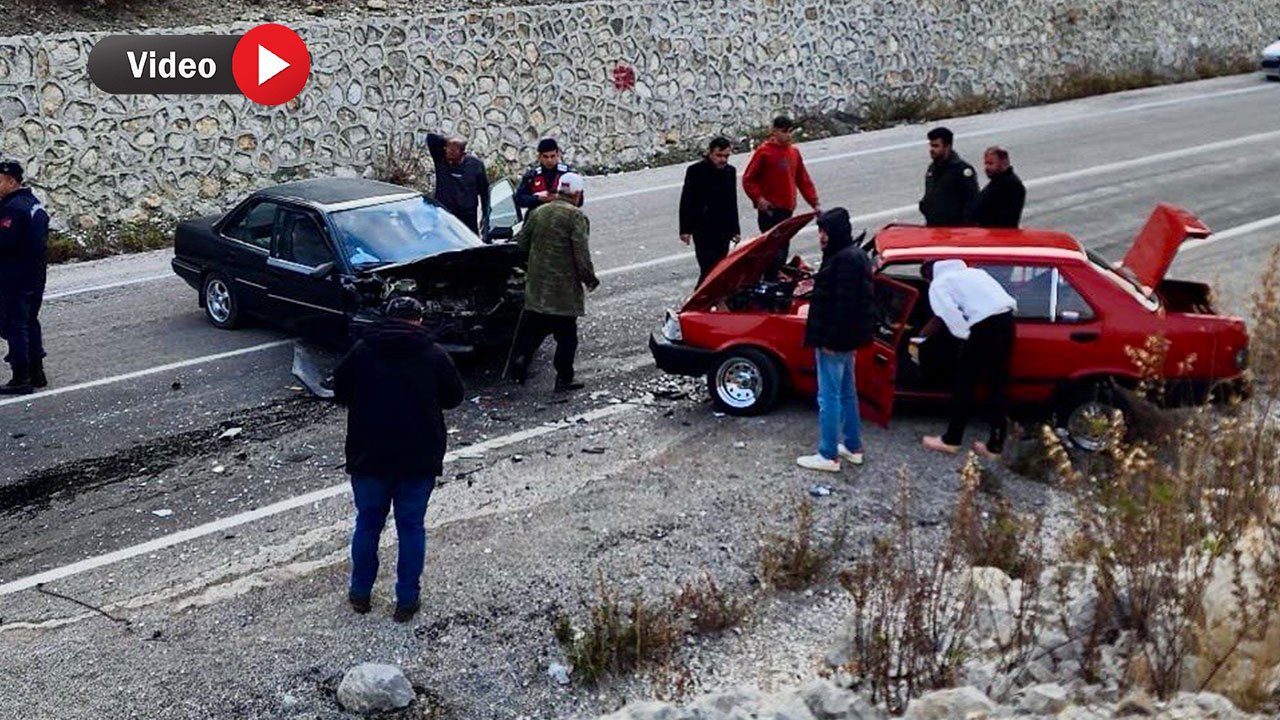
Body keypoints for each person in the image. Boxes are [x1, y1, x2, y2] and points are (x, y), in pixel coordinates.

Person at [331, 295, 465, 622]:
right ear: (418, 319)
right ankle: (406, 600)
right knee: (411, 528)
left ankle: (360, 594)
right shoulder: (433, 354)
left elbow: (339, 391)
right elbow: (454, 397)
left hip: (369, 456)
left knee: (367, 524)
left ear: (386, 318)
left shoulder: (362, 351)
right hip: (418, 458)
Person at [796, 208, 877, 473]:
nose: (820, 237)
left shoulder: (843, 260)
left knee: (828, 397)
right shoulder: (854, 256)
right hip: (848, 340)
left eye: (824, 231)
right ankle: (853, 447)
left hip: (835, 341)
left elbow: (843, 306)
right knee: (847, 394)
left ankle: (828, 454)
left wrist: (830, 339)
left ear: (835, 232)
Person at [508, 172, 599, 392]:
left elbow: (521, 245)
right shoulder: (576, 217)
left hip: (538, 290)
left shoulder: (539, 212)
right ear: (578, 194)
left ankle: (518, 368)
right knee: (567, 338)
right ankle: (564, 378)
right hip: (563, 293)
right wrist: (589, 279)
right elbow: (581, 255)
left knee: (532, 333)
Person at [919, 260, 1017, 459]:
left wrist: (964, 335)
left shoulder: (939, 283)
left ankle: (951, 440)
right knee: (997, 384)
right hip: (1007, 322)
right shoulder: (975, 273)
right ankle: (995, 446)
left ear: (930, 276)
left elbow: (948, 313)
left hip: (983, 327)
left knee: (965, 384)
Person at [742, 116, 820, 276]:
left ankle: (775, 275)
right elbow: (748, 179)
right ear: (774, 131)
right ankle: (769, 277)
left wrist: (814, 202)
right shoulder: (764, 152)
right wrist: (759, 198)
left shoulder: (794, 152)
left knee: (783, 245)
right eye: (784, 132)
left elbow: (803, 180)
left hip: (786, 209)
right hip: (769, 210)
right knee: (772, 247)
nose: (788, 136)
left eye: (790, 132)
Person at [0, 160, 50, 395]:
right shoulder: (33, 204)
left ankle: (21, 377)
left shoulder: (12, 209)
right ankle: (36, 372)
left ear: (11, 181)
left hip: (14, 276)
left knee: (15, 324)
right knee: (30, 321)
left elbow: (6, 242)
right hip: (35, 275)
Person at [679, 136, 741, 284]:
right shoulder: (696, 171)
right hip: (703, 229)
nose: (723, 160)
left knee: (719, 267)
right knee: (708, 268)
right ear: (710, 153)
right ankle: (699, 301)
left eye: (726, 156)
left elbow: (732, 202)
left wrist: (735, 229)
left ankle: (712, 301)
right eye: (719, 156)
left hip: (723, 229)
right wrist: (685, 229)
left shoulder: (729, 172)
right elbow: (687, 200)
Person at [426, 132, 491, 238]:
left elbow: (484, 193)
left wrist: (486, 216)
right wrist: (449, 141)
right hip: (444, 214)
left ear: (462, 153)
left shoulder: (476, 166)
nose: (447, 153)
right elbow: (431, 137)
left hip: (467, 217)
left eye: (452, 151)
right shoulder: (441, 160)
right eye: (447, 149)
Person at [918, 127, 979, 227]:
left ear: (947, 147)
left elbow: (972, 202)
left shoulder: (962, 170)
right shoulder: (932, 168)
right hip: (933, 227)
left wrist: (965, 226)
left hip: (954, 230)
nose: (932, 150)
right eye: (931, 145)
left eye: (936, 146)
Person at [514, 138, 583, 214]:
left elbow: (579, 201)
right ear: (539, 157)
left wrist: (557, 198)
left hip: (563, 217)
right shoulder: (531, 176)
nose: (549, 160)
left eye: (552, 156)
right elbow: (519, 200)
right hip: (538, 218)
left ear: (558, 155)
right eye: (545, 157)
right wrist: (539, 199)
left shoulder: (568, 175)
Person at [969, 146, 1026, 229]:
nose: (987, 167)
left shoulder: (1012, 186)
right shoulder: (997, 182)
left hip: (998, 236)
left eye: (991, 163)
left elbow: (1005, 219)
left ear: (1004, 162)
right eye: (986, 163)